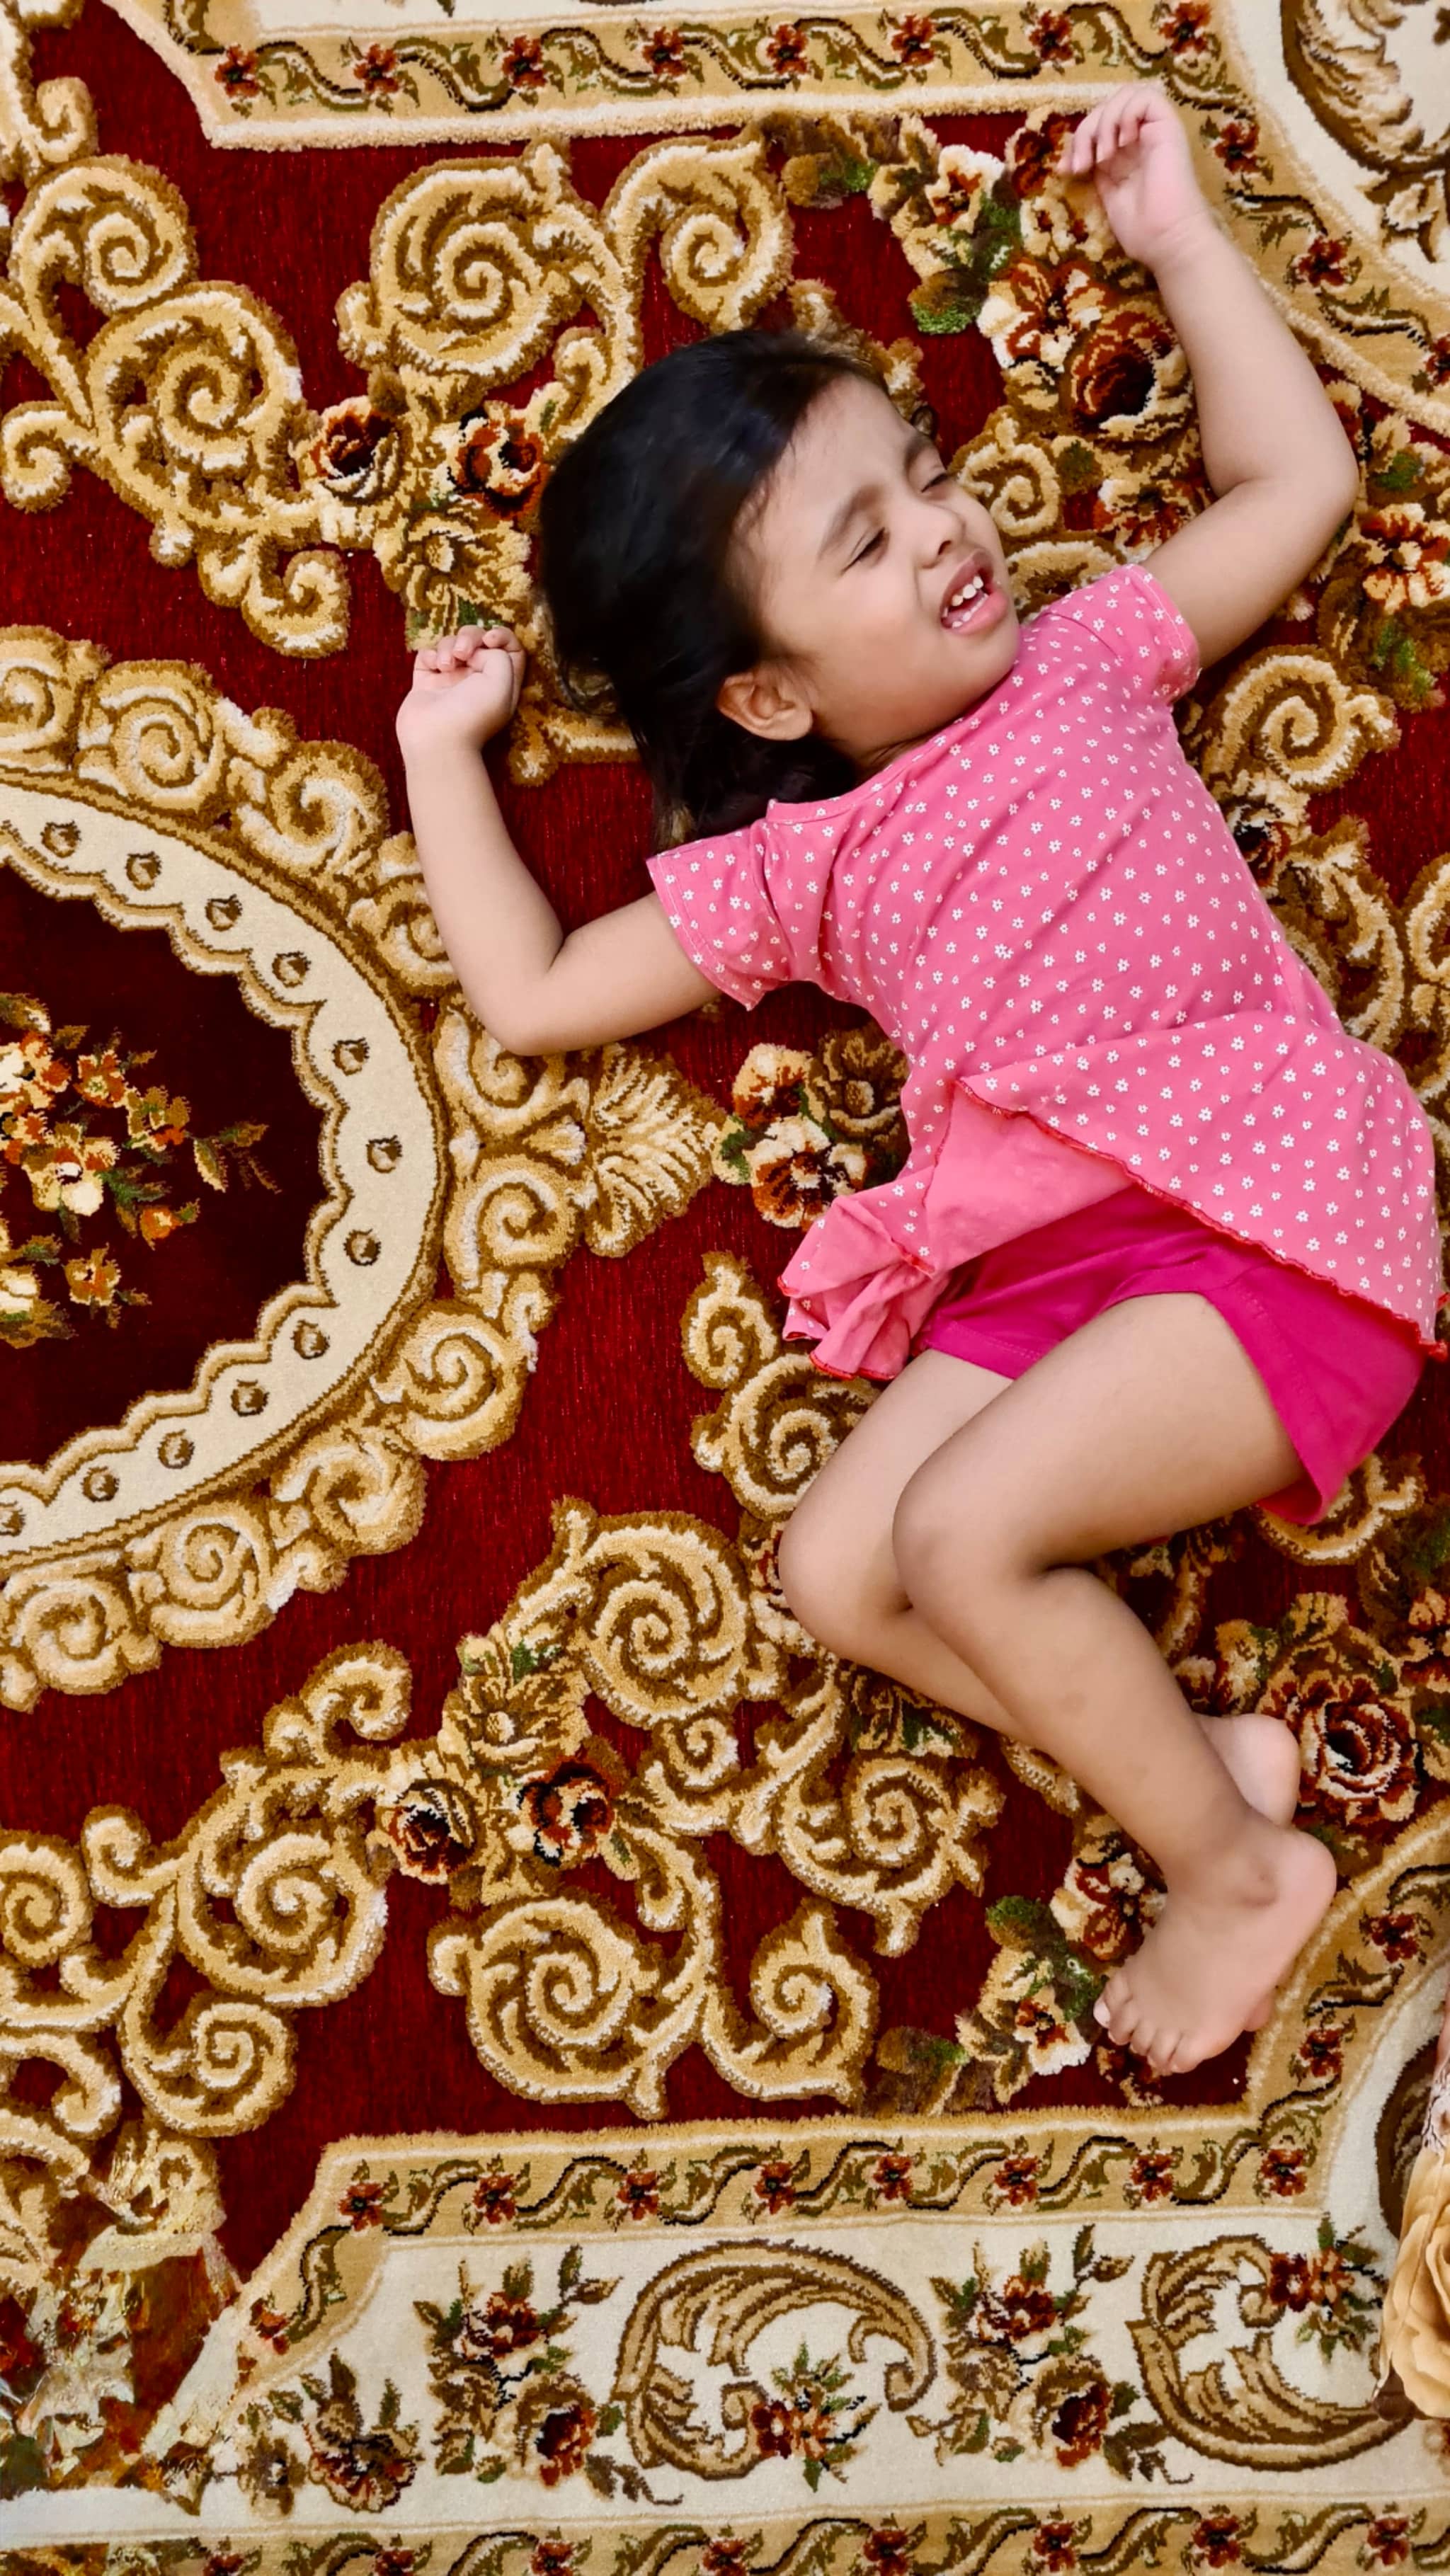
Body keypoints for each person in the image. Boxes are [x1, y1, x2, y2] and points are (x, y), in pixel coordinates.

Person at [394, 82, 1448, 2076]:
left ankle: (1237, 1870)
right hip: (1063, 1279)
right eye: (867, 543)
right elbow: (530, 992)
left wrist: (1183, 244)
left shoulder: (1086, 657)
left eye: (929, 471)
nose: (956, 531)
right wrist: (450, 758)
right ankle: (1178, 1751)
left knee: (965, 1537)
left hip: (1271, 1211)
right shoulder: (796, 866)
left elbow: (1289, 490)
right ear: (772, 697)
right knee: (836, 1571)